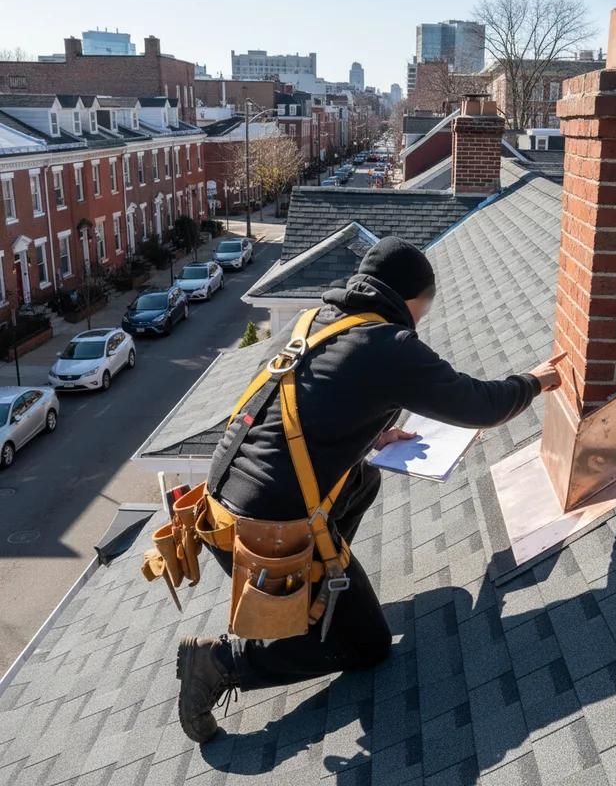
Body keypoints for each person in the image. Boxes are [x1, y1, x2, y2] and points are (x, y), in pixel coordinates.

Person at [176, 236, 563, 743]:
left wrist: (373, 433)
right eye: (426, 306)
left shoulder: (314, 324)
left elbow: (289, 409)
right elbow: (481, 405)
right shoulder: (387, 345)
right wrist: (533, 382)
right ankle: (219, 662)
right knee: (368, 647)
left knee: (364, 477)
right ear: (411, 301)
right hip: (268, 536)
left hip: (221, 509)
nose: (424, 318)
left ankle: (320, 588)